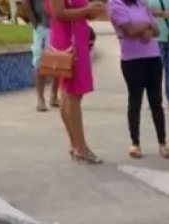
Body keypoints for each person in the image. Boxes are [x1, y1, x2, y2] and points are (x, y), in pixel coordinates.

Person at [109, 0, 169, 158]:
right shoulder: (115, 4)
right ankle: (135, 143)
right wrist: (147, 24)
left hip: (153, 57)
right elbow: (130, 30)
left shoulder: (142, 4)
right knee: (135, 101)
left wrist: (148, 29)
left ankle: (162, 143)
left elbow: (157, 31)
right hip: (132, 60)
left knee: (156, 102)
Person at [49, 0, 105, 163]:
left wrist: (92, 10)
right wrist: (87, 9)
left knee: (70, 94)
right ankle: (80, 146)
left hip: (78, 40)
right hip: (68, 42)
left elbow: (79, 10)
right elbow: (58, 13)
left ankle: (75, 144)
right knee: (72, 94)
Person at [23, 0, 60, 112]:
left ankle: (54, 96)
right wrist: (35, 24)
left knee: (58, 61)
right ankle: (40, 99)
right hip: (42, 27)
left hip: (58, 26)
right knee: (39, 62)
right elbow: (26, 4)